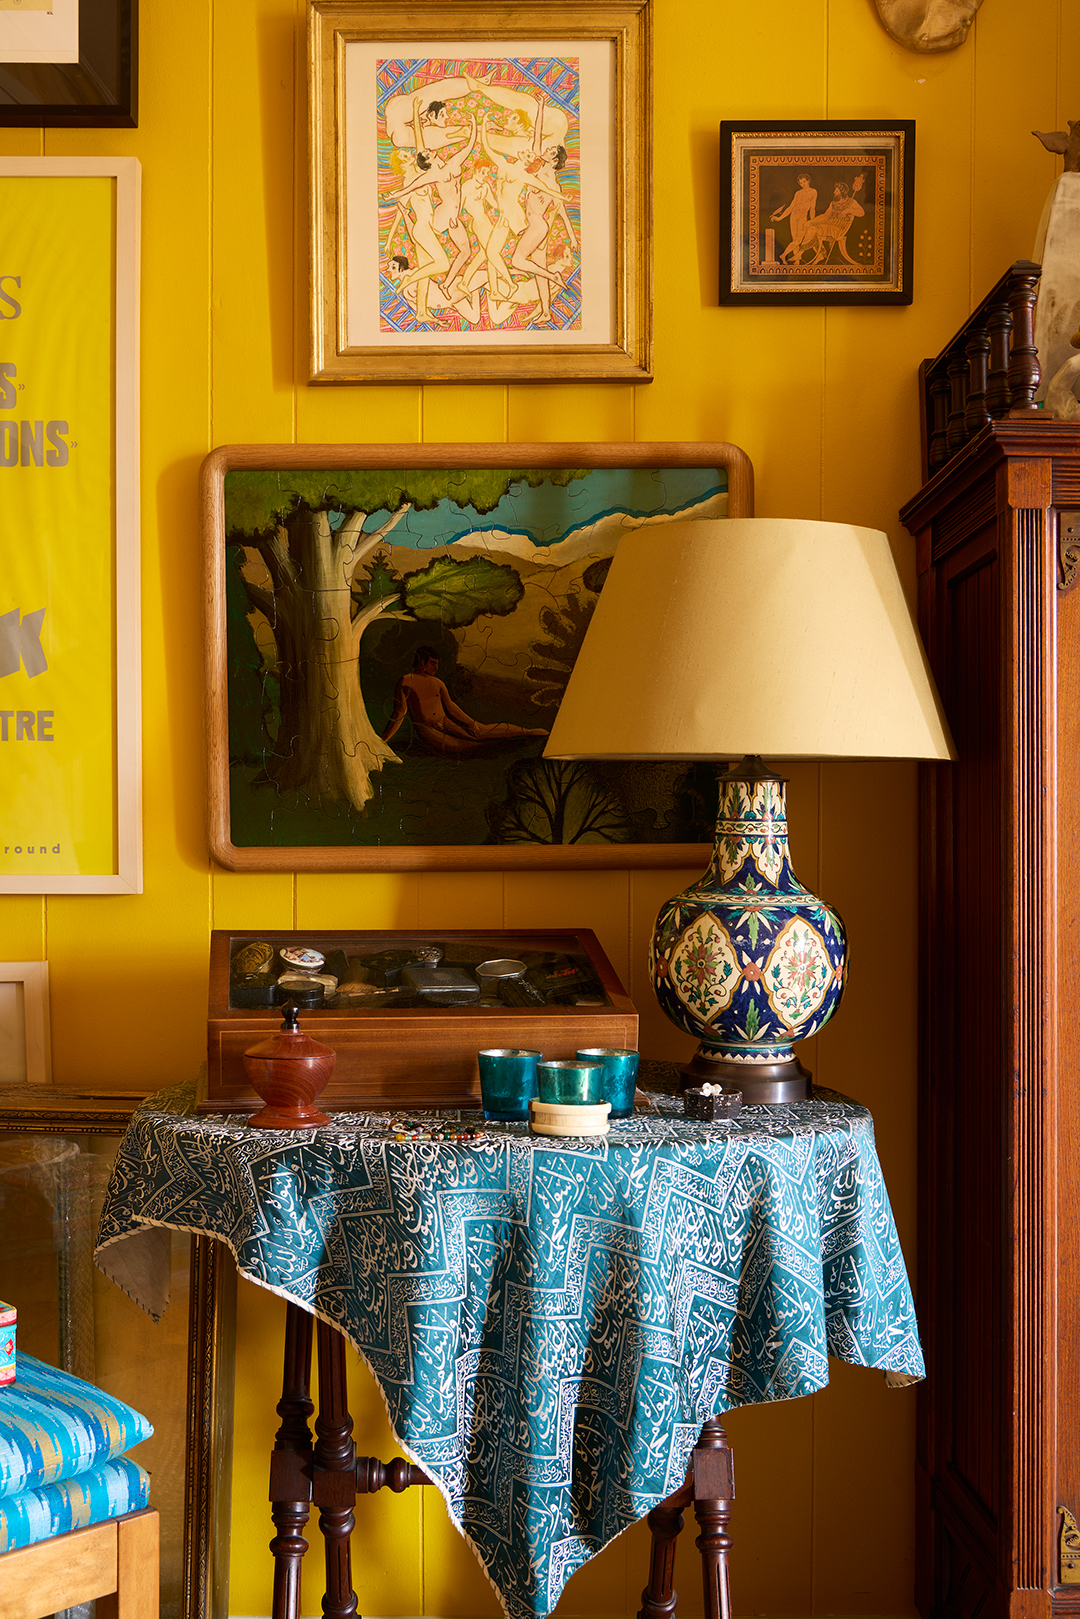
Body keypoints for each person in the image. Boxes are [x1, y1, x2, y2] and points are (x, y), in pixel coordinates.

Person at [381, 646, 548, 756]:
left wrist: (470, 722)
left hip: (445, 721)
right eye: (433, 663)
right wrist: (384, 740)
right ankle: (503, 746)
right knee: (464, 747)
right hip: (428, 729)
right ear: (422, 662)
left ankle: (529, 732)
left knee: (480, 731)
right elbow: (400, 712)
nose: (436, 668)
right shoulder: (405, 681)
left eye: (437, 664)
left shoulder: (438, 683)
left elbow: (450, 706)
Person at [771, 174, 817, 263]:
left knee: (798, 241)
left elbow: (812, 208)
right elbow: (791, 207)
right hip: (793, 216)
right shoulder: (798, 193)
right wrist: (780, 218)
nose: (803, 184)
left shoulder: (813, 192)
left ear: (808, 181)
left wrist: (812, 221)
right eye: (800, 183)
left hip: (803, 217)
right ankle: (797, 262)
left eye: (804, 181)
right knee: (795, 240)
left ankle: (783, 255)